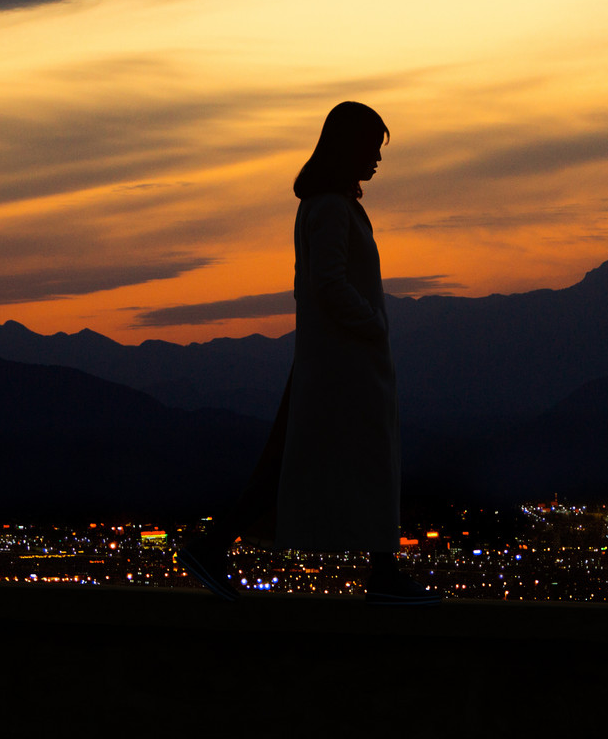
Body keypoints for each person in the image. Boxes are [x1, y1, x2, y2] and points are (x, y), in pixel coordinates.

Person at [179, 101, 441, 605]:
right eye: (371, 147)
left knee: (295, 460)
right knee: (370, 459)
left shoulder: (331, 204)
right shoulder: (328, 208)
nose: (378, 159)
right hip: (344, 365)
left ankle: (212, 547)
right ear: (348, 147)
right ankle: (382, 572)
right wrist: (374, 326)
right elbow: (328, 283)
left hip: (335, 362)